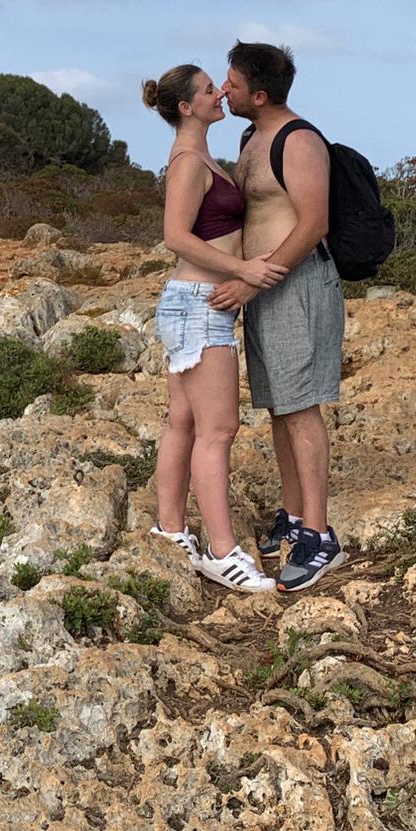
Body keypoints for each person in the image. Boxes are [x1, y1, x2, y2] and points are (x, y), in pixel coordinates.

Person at [141, 65, 288, 593]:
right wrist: (244, 271)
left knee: (182, 420)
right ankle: (221, 553)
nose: (219, 93)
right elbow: (176, 237)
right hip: (200, 305)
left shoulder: (201, 155)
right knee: (218, 431)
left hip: (195, 303)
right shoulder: (186, 161)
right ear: (186, 107)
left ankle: (172, 530)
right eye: (208, 90)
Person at [211, 41, 347, 593]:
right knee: (278, 405)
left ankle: (319, 536)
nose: (224, 91)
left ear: (260, 94)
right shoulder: (250, 137)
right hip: (263, 289)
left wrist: (250, 278)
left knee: (300, 407)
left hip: (298, 284)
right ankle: (293, 517)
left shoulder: (299, 140)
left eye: (233, 85)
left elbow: (312, 223)